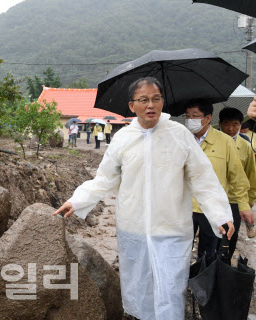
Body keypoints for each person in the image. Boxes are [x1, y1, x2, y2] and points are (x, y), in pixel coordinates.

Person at [54, 77, 234, 320]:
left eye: (156, 99)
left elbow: (203, 179)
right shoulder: (123, 139)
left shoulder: (179, 135)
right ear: (132, 106)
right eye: (144, 100)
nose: (151, 105)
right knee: (139, 290)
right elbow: (104, 179)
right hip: (134, 229)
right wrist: (77, 200)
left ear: (162, 102)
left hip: (171, 229)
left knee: (171, 289)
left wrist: (221, 214)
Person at [185, 101, 251, 259]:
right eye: (187, 116)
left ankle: (204, 281)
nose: (190, 120)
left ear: (208, 118)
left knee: (209, 252)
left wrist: (244, 205)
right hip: (185, 206)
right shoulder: (182, 139)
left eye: (195, 116)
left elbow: (238, 177)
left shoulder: (225, 142)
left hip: (213, 208)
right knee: (180, 250)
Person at [219, 107, 256, 240]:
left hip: (234, 200)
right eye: (226, 124)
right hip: (216, 198)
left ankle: (226, 260)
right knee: (212, 238)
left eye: (235, 125)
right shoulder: (213, 143)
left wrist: (250, 200)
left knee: (230, 238)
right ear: (219, 124)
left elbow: (251, 174)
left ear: (240, 125)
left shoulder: (246, 146)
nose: (230, 129)